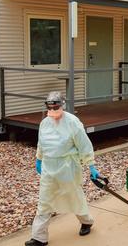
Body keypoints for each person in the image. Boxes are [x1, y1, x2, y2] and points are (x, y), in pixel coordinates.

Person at [25, 91, 101, 246]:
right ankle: (39, 237)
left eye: (56, 106)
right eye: (50, 106)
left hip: (68, 166)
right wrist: (39, 159)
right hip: (48, 166)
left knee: (74, 197)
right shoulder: (44, 123)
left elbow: (84, 145)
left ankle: (86, 221)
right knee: (44, 201)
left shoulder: (72, 122)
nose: (53, 109)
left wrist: (91, 165)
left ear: (62, 105)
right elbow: (41, 142)